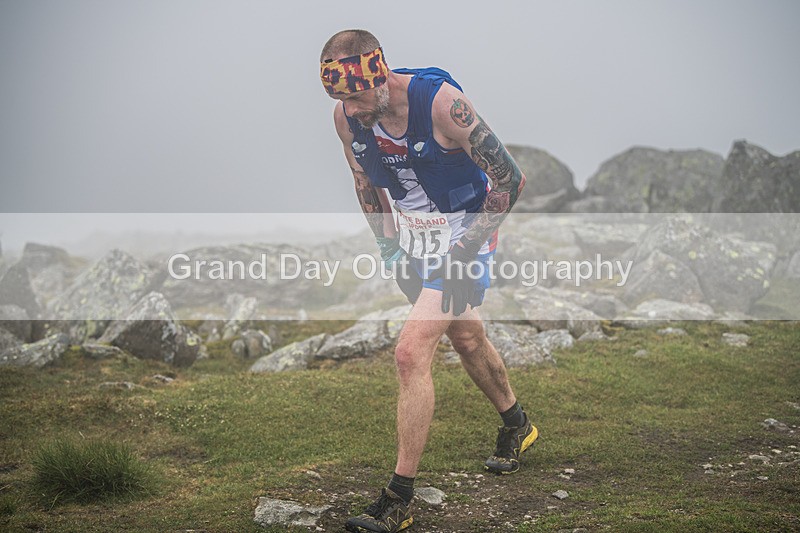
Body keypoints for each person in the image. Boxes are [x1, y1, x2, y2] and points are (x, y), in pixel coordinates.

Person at [320, 29, 537, 533]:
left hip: (467, 229)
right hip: (415, 238)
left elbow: (510, 180)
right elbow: (364, 182)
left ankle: (398, 500)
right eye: (340, 99)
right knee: (464, 336)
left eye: (355, 96)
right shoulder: (346, 117)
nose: (350, 109)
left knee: (409, 350)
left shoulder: (441, 104)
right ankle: (517, 424)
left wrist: (463, 253)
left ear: (379, 75)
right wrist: (388, 247)